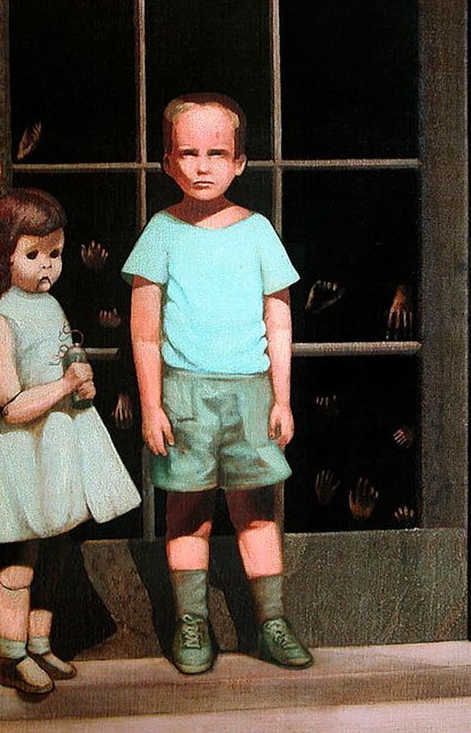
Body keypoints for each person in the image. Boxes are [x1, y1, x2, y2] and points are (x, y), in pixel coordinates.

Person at [122, 93, 312, 674]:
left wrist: (282, 398)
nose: (202, 166)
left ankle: (272, 623)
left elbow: (279, 320)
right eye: (188, 153)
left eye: (217, 154)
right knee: (188, 513)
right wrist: (152, 406)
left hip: (250, 393)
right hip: (184, 396)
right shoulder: (162, 231)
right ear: (168, 163)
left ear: (240, 162)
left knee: (255, 511)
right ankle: (192, 622)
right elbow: (144, 332)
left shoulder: (257, 230)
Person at [0, 188, 141, 695]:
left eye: (56, 253)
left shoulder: (50, 306)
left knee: (55, 550)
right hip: (23, 449)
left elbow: (61, 364)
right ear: (3, 256)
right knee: (21, 556)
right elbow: (11, 405)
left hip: (59, 443)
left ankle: (40, 643)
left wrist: (81, 386)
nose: (47, 265)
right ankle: (10, 654)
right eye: (33, 255)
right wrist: (65, 385)